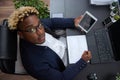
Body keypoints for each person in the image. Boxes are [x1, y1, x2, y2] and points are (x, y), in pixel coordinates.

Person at [8, 6, 92, 80]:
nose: (40, 32)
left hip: (65, 43)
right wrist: (82, 61)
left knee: (94, 38)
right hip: (67, 62)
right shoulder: (35, 65)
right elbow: (61, 78)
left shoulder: (34, 23)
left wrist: (73, 22)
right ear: (21, 35)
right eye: (31, 30)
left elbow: (51, 22)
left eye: (39, 25)